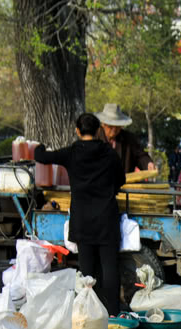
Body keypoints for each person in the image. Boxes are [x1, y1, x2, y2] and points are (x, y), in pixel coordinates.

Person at [34, 113, 126, 315]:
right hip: (106, 218)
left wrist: (39, 146)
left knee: (87, 270)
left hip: (83, 220)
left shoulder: (72, 153)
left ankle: (87, 313)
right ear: (97, 130)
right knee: (110, 268)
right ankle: (112, 314)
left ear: (77, 130)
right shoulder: (109, 154)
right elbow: (121, 179)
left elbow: (41, 157)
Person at [93, 103, 157, 174]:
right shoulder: (94, 138)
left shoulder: (129, 138)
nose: (114, 129)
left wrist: (148, 164)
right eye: (110, 126)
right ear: (103, 124)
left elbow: (140, 156)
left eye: (117, 126)